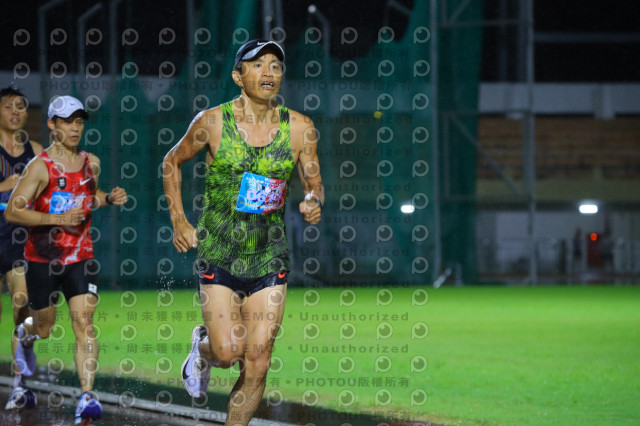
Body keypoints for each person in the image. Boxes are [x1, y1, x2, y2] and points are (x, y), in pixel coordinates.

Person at [163, 39, 324, 426]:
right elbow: (171, 162)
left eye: (276, 66)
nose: (269, 72)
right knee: (228, 352)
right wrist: (179, 220)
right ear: (238, 76)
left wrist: (313, 200)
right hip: (219, 253)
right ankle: (202, 350)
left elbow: (315, 182)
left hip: (269, 255)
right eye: (258, 64)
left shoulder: (300, 128)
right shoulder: (212, 122)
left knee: (259, 359)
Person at [5, 95, 128, 424]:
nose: (75, 128)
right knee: (44, 328)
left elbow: (88, 197)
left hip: (81, 257)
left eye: (79, 121)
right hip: (42, 260)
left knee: (84, 323)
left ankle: (87, 396)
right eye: (67, 121)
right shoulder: (40, 166)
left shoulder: (91, 162)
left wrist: (108, 198)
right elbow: (14, 210)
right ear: (51, 124)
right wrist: (56, 220)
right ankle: (25, 334)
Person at [0, 86, 43, 409]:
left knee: (22, 305)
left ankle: (19, 385)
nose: (15, 112)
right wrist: (5, 185)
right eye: (8, 106)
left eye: (20, 106)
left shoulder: (36, 152)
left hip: (20, 238)